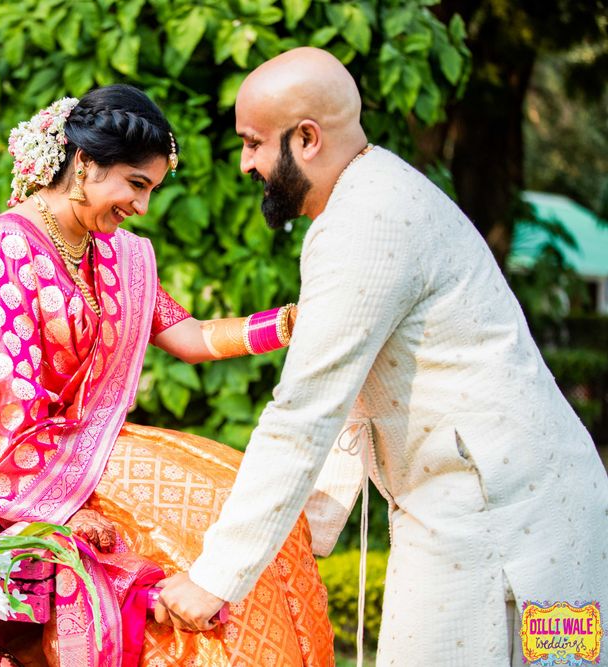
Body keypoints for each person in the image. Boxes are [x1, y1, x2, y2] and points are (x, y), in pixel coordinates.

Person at [156, 47, 608, 665]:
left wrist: (214, 578)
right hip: (511, 495)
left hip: (502, 514)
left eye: (255, 143)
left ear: (307, 138)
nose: (246, 164)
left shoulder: (363, 222)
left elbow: (304, 412)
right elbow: (348, 397)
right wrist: (304, 536)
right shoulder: (373, 193)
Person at [0, 84, 335, 666]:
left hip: (97, 447)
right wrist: (61, 507)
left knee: (246, 493)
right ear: (85, 163)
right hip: (30, 472)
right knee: (203, 523)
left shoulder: (112, 254)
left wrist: (287, 324)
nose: (143, 207)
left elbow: (193, 336)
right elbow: (0, 399)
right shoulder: (8, 247)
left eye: (151, 189)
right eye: (136, 185)